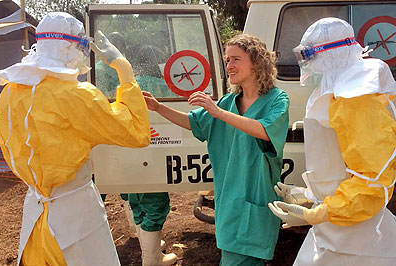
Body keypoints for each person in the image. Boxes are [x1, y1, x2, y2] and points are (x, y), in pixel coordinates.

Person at [0, 12, 150, 266]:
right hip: (75, 218)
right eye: (82, 46)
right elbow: (136, 131)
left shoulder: (11, 92)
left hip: (35, 215)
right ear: (70, 47)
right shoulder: (76, 95)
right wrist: (123, 68)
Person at [143, 33, 289, 265]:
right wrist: (159, 108)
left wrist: (218, 113)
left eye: (235, 59)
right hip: (230, 199)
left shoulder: (276, 100)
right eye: (227, 60)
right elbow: (194, 122)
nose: (229, 66)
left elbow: (264, 130)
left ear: (256, 62)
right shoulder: (227, 102)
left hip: (256, 197)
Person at [268, 18, 396, 265]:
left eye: (308, 56)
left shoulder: (357, 99)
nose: (305, 66)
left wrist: (319, 213)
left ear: (328, 55)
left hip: (358, 237)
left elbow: (374, 180)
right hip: (338, 228)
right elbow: (338, 167)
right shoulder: (339, 93)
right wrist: (307, 194)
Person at [95, 33, 177, 265]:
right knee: (154, 200)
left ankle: (147, 244)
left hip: (124, 148)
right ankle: (151, 259)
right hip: (155, 149)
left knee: (135, 196)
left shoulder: (126, 83)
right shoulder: (162, 85)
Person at [95, 31, 126, 99]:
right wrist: (126, 86)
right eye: (115, 48)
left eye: (121, 48)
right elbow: (103, 97)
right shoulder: (99, 70)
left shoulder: (123, 66)